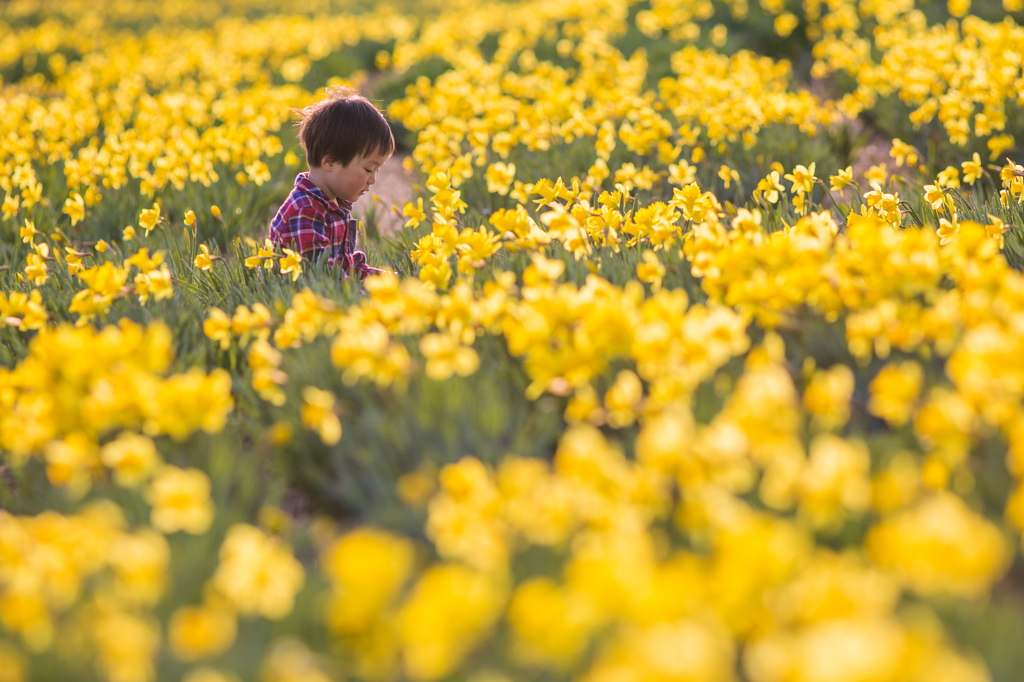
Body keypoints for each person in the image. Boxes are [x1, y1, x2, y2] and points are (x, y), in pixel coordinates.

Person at [269, 85, 393, 280]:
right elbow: (322, 276)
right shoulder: (305, 211)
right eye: (369, 169)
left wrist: (390, 281)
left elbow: (345, 267)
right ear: (330, 161)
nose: (373, 179)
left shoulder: (334, 203)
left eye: (377, 170)